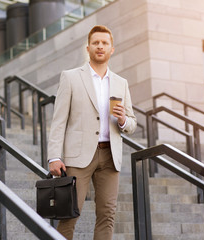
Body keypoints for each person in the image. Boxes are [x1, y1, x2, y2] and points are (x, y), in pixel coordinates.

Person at [47, 25, 137, 240]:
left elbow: (132, 123)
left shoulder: (120, 83)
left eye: (105, 43)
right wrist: (54, 157)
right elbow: (59, 120)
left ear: (111, 49)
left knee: (107, 215)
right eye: (96, 42)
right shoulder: (70, 77)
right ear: (88, 48)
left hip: (109, 157)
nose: (100, 46)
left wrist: (123, 119)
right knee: (69, 214)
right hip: (78, 158)